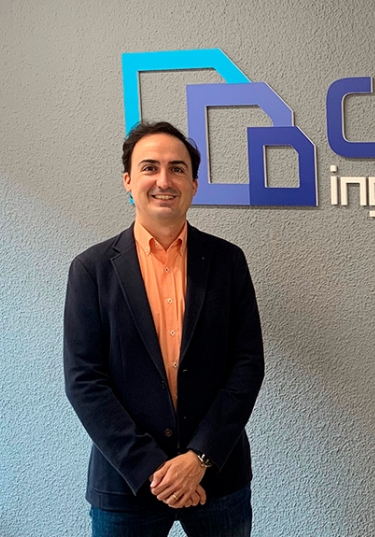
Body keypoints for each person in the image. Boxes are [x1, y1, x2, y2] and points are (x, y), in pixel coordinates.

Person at [64, 121, 265, 536]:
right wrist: (154, 468)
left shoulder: (227, 262)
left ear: (194, 184)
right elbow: (85, 381)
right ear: (128, 180)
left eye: (177, 169)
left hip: (216, 479)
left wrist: (199, 458)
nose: (163, 180)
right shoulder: (91, 269)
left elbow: (247, 366)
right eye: (149, 167)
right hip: (127, 484)